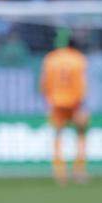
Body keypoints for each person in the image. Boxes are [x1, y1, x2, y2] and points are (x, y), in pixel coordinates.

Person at [40, 32, 89, 184]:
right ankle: (79, 170)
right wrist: (80, 101)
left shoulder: (51, 58)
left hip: (56, 101)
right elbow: (80, 83)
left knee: (58, 134)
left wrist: (48, 98)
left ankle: (59, 172)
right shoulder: (79, 59)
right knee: (81, 132)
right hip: (74, 102)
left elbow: (45, 82)